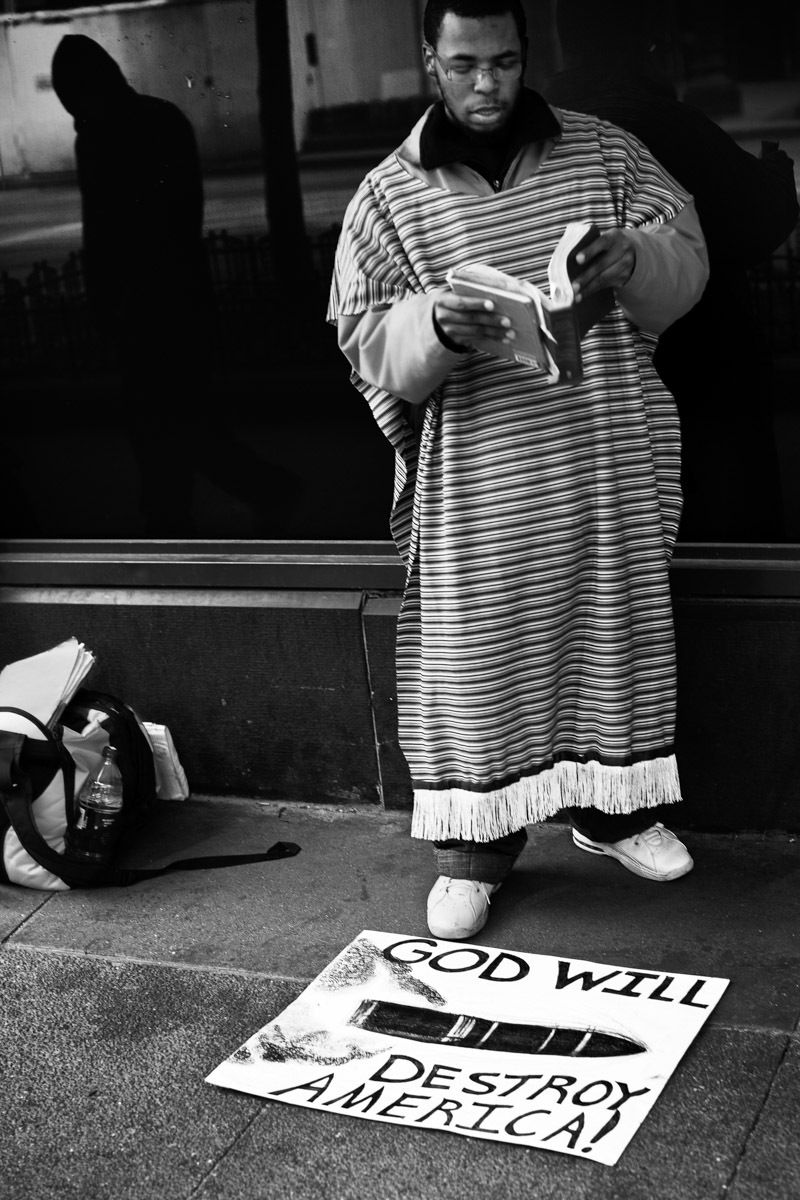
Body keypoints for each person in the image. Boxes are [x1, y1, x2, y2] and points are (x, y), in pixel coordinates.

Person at [329, 0, 711, 941]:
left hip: (600, 454)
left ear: (526, 54)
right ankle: (478, 848)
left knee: (608, 626)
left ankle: (612, 810)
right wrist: (435, 328)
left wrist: (636, 256)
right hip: (483, 479)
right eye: (464, 64)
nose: (487, 84)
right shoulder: (388, 195)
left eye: (502, 61)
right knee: (479, 652)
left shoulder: (608, 153)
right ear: (431, 59)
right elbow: (363, 335)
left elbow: (688, 260)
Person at [547, 0, 799, 541]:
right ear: (646, 45)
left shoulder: (535, 138)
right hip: (696, 374)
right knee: (715, 539)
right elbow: (759, 217)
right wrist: (776, 172)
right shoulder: (667, 126)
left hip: (583, 402)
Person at [51, 35, 295, 537]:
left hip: (145, 305)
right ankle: (196, 506)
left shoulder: (100, 136)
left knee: (163, 421)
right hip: (174, 298)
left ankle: (187, 510)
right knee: (178, 417)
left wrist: (108, 300)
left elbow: (106, 229)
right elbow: (179, 218)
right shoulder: (159, 120)